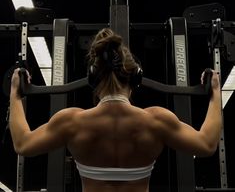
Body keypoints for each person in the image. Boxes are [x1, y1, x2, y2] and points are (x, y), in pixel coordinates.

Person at [9, 28, 222, 192]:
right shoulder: (157, 120)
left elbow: (22, 143)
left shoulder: (71, 122)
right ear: (135, 78)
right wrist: (215, 92)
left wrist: (15, 92)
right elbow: (207, 144)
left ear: (93, 78)